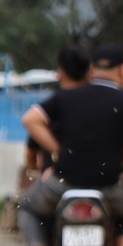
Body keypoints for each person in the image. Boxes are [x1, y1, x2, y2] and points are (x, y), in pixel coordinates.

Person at [17, 42, 123, 246]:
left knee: (28, 208)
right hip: (109, 189)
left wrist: (57, 149)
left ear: (93, 70)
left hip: (62, 185)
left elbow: (30, 120)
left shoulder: (66, 98)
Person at [22, 45, 92, 188]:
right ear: (89, 75)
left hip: (57, 182)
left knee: (27, 209)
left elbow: (31, 152)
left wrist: (60, 155)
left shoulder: (51, 109)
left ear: (60, 74)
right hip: (99, 182)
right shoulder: (100, 105)